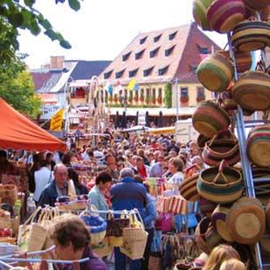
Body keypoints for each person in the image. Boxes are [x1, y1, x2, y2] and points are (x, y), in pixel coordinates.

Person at [110, 168, 147, 270]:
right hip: (135, 222)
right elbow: (144, 203)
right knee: (135, 251)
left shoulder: (114, 188)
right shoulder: (141, 188)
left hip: (118, 221)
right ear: (132, 176)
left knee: (119, 250)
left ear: (121, 177)